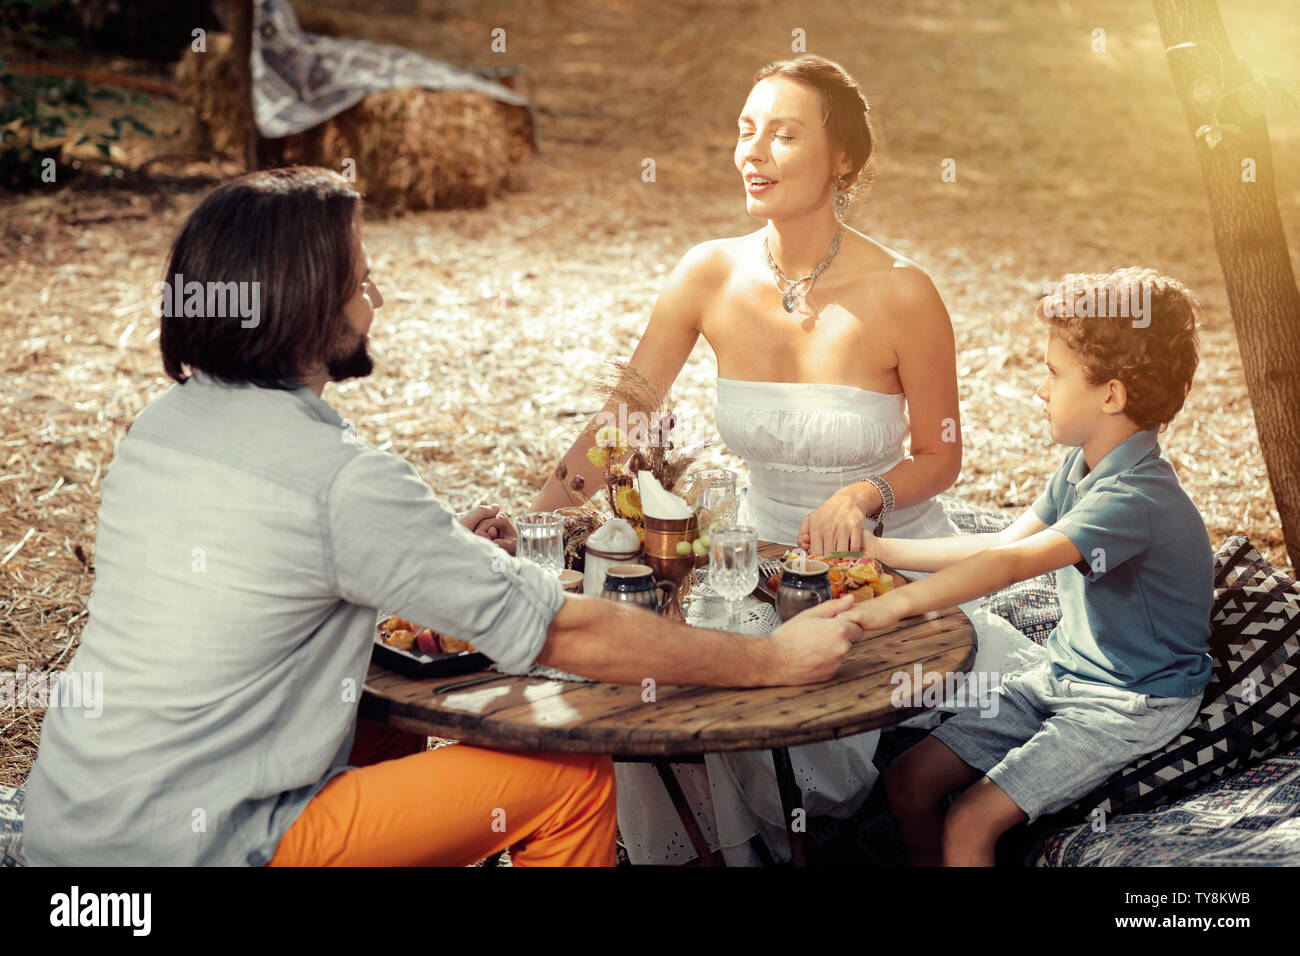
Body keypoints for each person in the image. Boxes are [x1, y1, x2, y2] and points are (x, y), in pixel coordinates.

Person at [22, 166, 862, 867]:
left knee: (383, 735)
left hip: (76, 828)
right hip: (205, 848)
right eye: (360, 278)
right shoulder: (341, 481)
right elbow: (566, 633)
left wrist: (437, 551)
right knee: (568, 783)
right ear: (307, 303)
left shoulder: (163, 426)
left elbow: (261, 560)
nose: (376, 297)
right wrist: (773, 663)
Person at [533, 54, 1040, 865]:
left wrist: (867, 493)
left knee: (774, 731)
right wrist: (539, 516)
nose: (753, 152)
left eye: (784, 134)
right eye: (745, 130)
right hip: (745, 570)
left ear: (843, 158)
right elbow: (623, 417)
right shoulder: (708, 271)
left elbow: (941, 456)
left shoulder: (906, 291)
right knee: (649, 696)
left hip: (881, 569)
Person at [843, 267, 1212, 866]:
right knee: (909, 779)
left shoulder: (1135, 500)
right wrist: (883, 555)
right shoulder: (1083, 463)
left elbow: (1013, 564)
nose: (1040, 390)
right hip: (1061, 674)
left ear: (1111, 395)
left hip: (1126, 702)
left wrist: (893, 605)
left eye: (1053, 373)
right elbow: (1003, 541)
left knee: (970, 821)